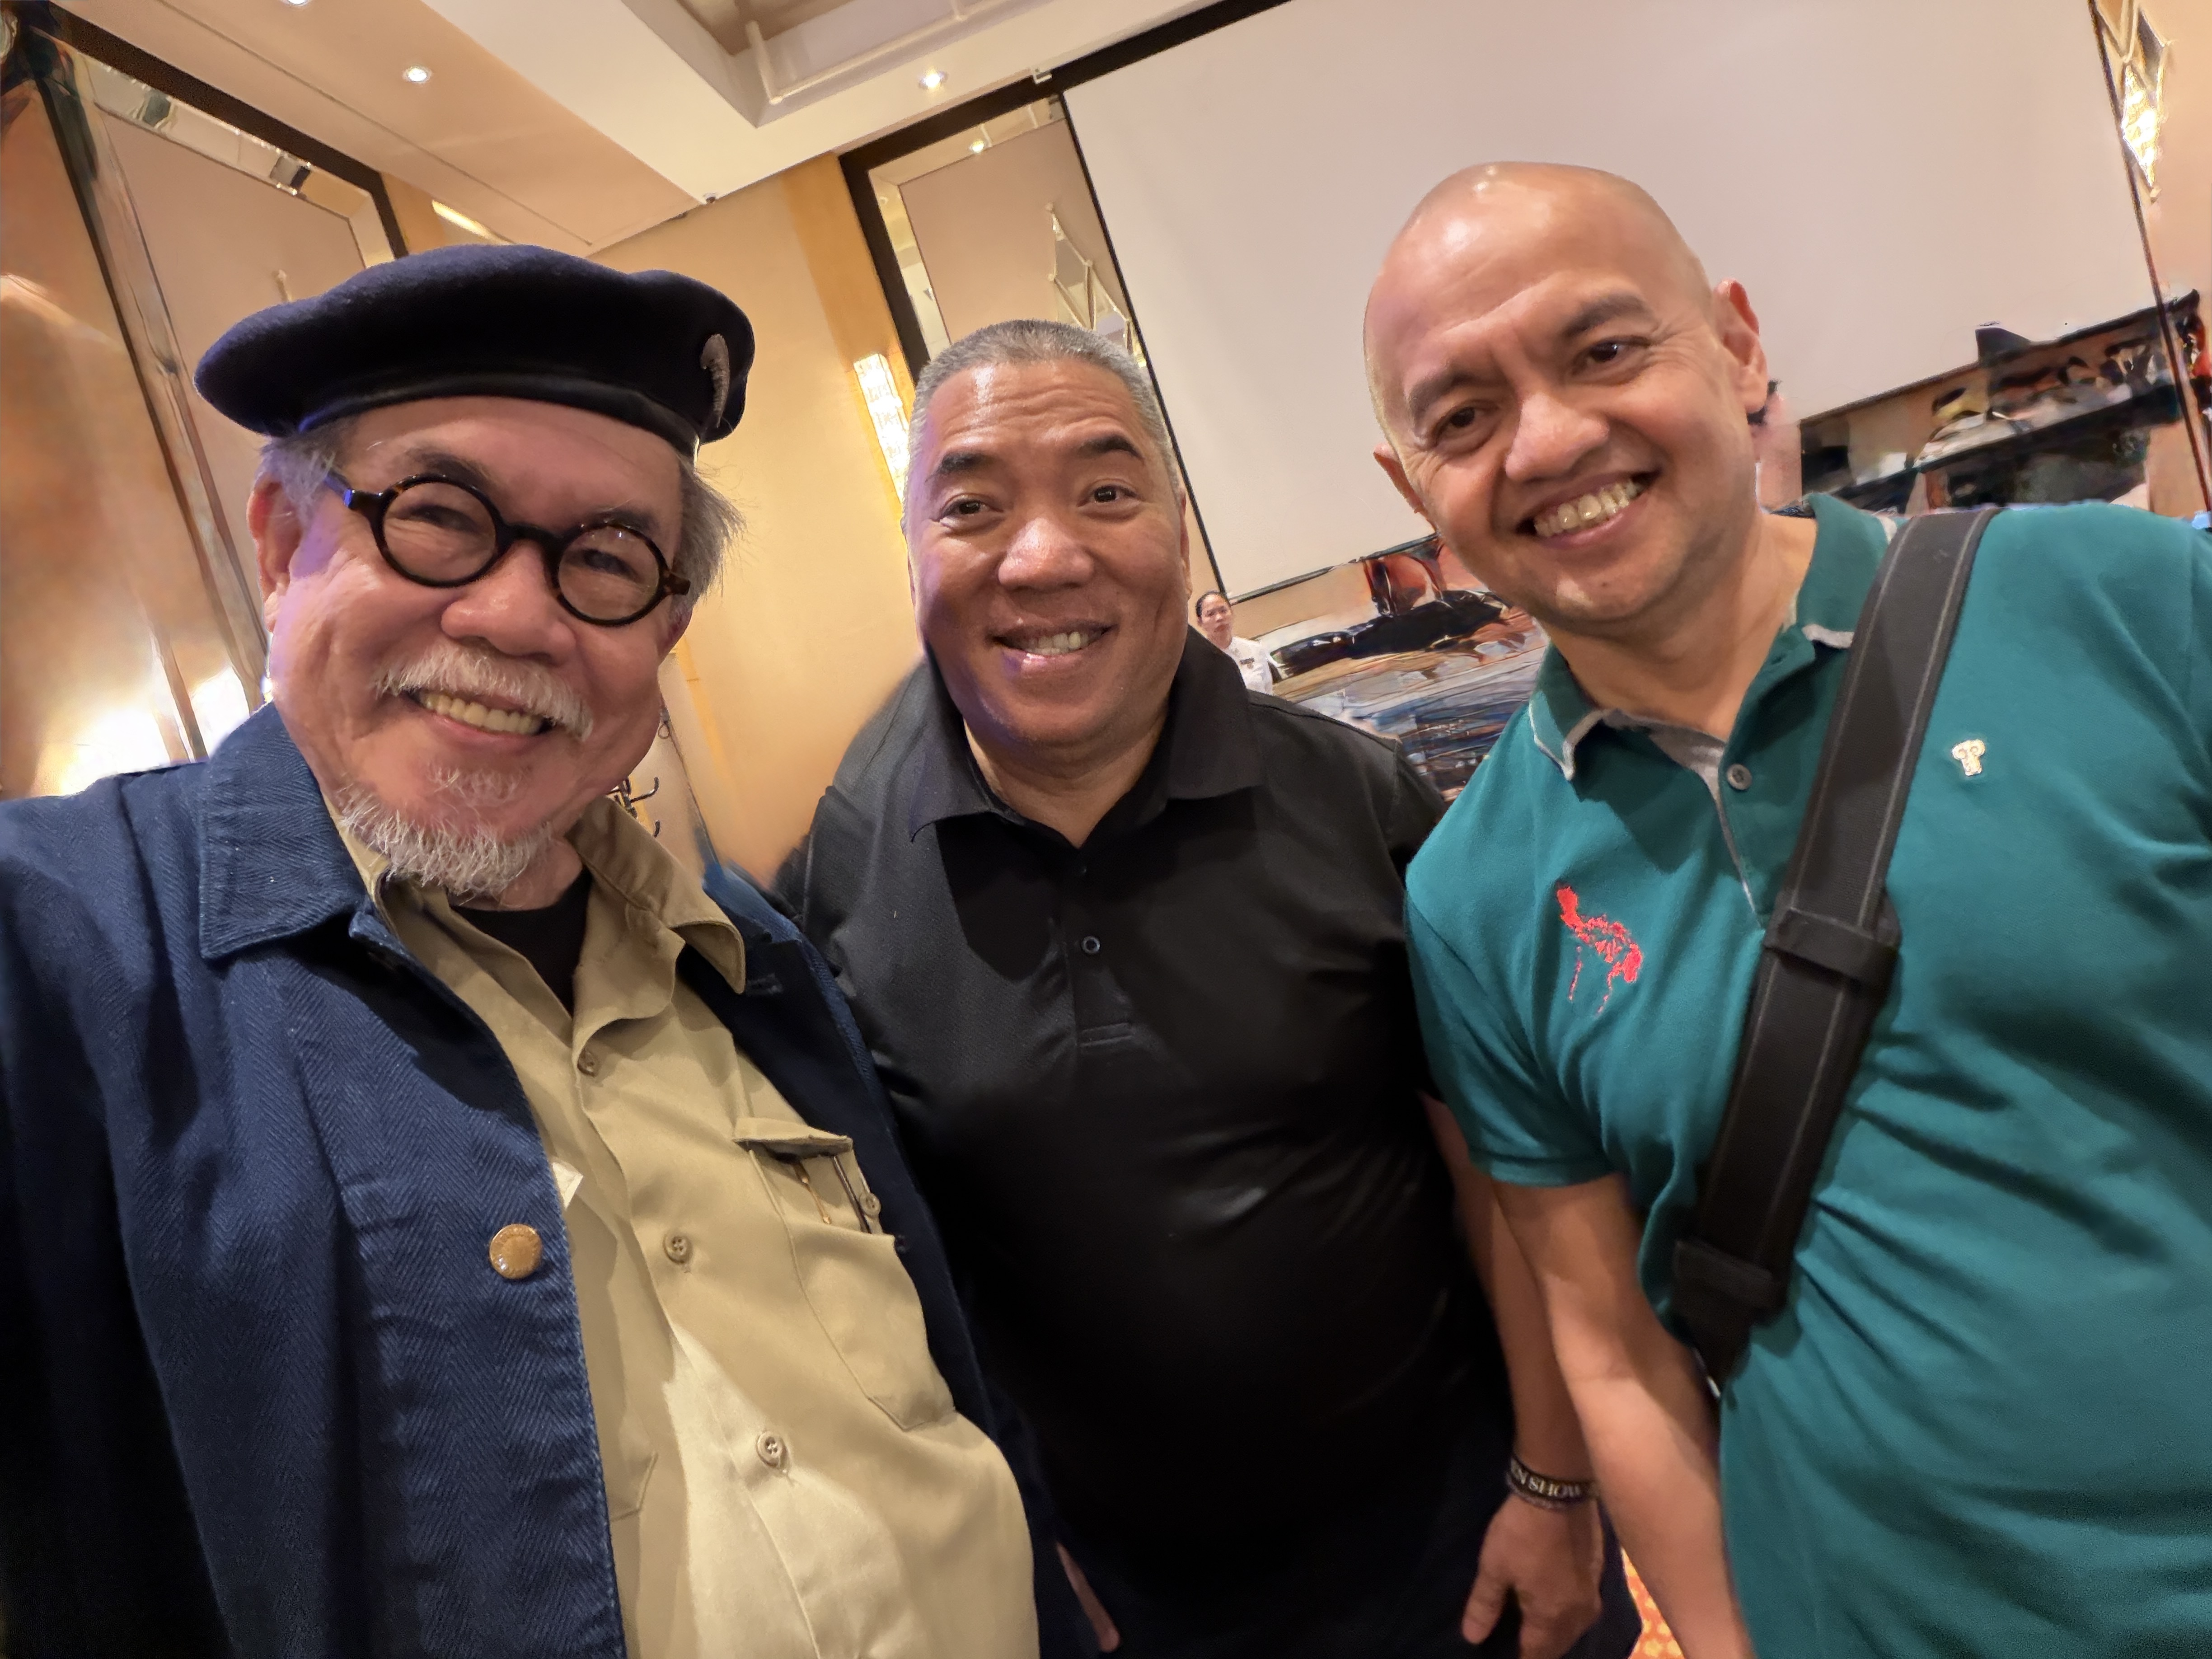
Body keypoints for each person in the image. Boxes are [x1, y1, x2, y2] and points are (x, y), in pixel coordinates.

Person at [0, 244, 1036, 1659]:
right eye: (438, 518)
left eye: (605, 558)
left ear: (665, 625)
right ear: (280, 544)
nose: (513, 617)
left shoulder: (748, 954)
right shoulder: (62, 942)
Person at [1368, 163, 2212, 1658]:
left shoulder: (2131, 603)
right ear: (1411, 489)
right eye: (1464, 416)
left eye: (1601, 349)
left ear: (1735, 343)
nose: (1547, 441)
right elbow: (1615, 1356)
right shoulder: (1471, 894)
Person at [776, 319, 1642, 1659]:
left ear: (1179, 533)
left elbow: (1510, 1173)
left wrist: (1555, 1479)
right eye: (973, 507)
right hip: (1131, 1607)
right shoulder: (836, 877)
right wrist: (1016, 1542)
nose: (1043, 556)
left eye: (1104, 490)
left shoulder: (1356, 800)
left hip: (1460, 1539)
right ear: (912, 556)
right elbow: (878, 1269)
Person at [1193, 589, 1274, 691]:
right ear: (1200, 622)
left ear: (1232, 612)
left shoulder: (1255, 650)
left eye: (1223, 611)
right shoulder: (1195, 660)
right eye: (1211, 614)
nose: (1219, 618)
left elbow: (1268, 692)